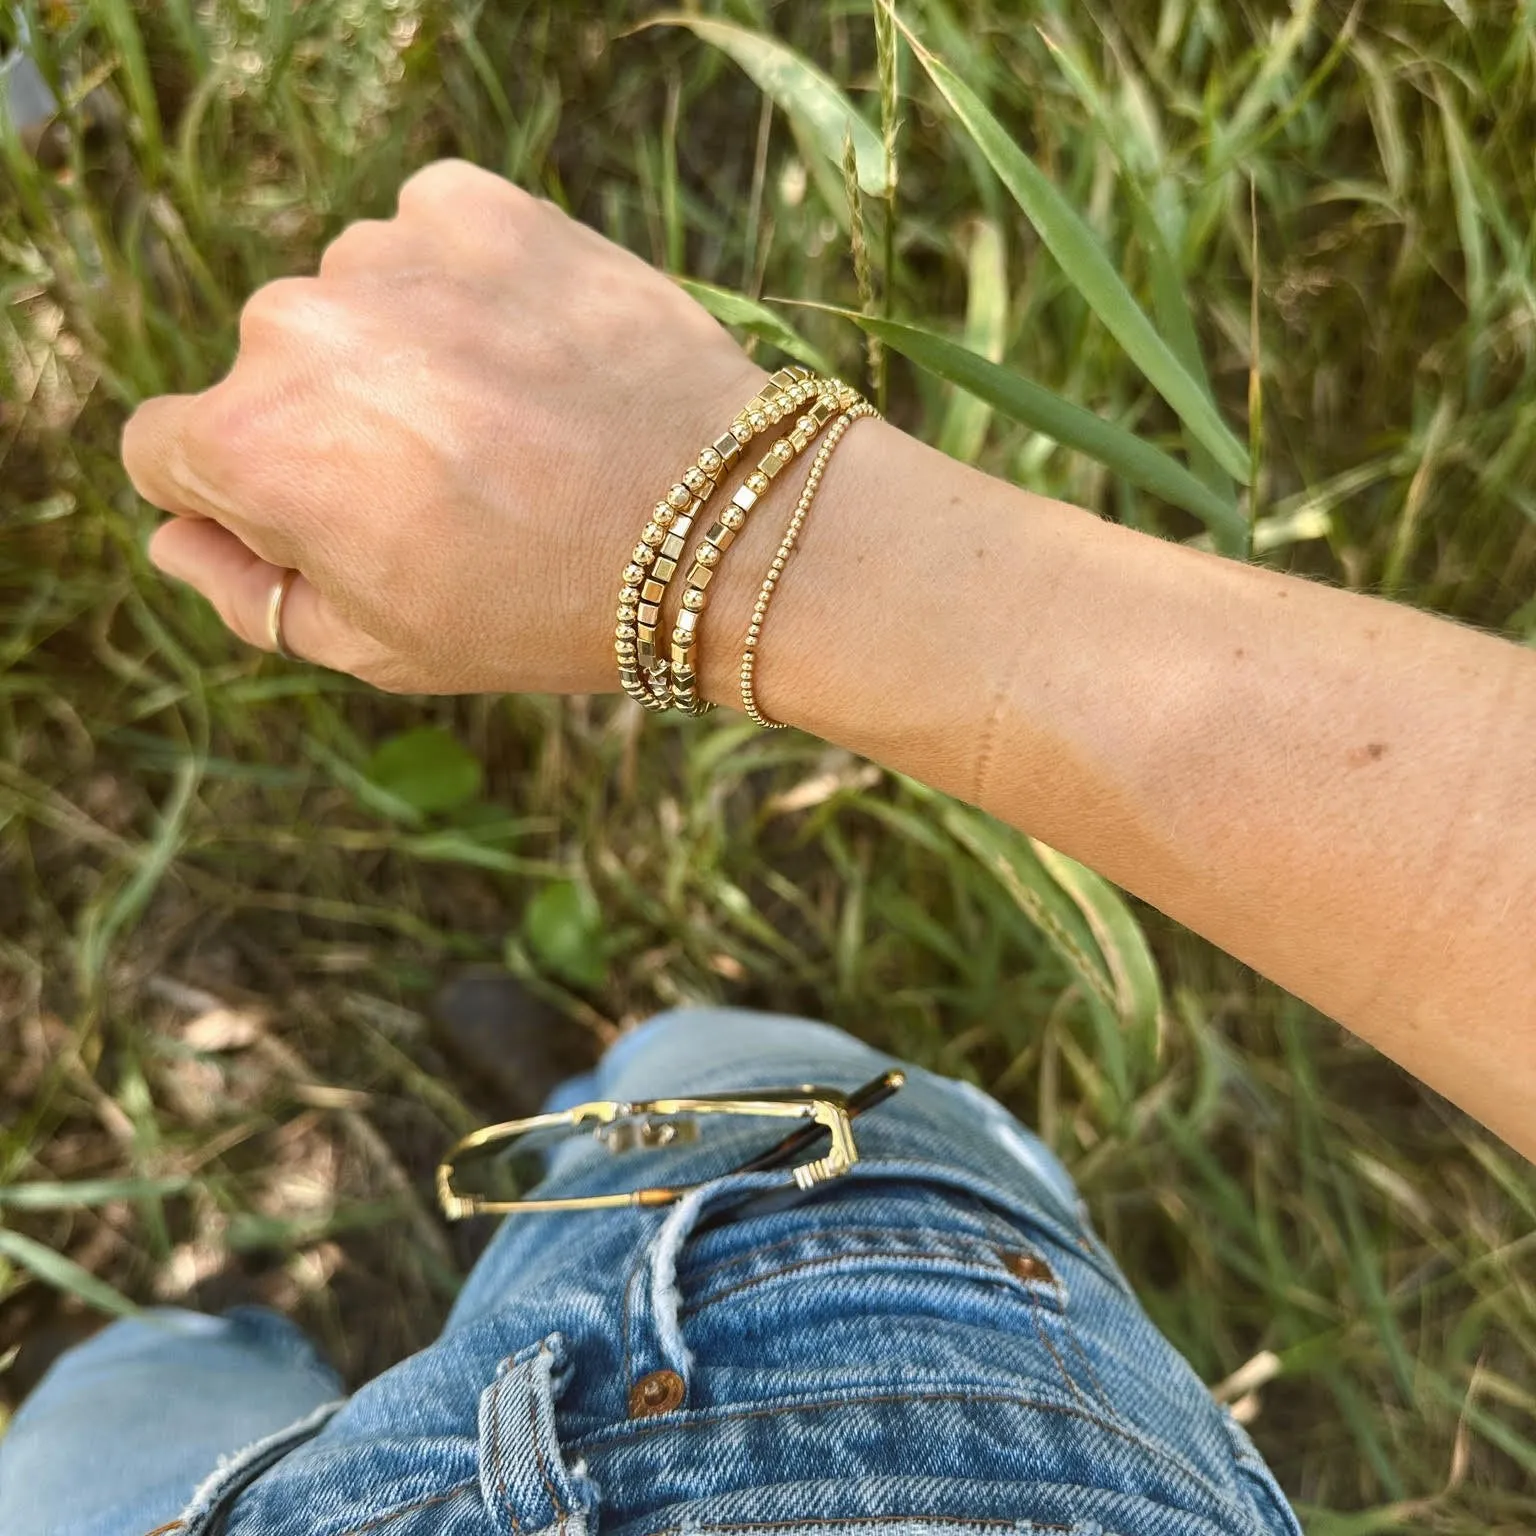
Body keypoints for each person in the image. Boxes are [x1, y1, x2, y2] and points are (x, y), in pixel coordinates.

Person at [1, 160, 1530, 1536]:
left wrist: (737, 539)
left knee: (105, 1407)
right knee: (729, 1066)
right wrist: (766, 524)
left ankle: (226, 1320)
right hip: (928, 1374)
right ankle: (603, 1112)